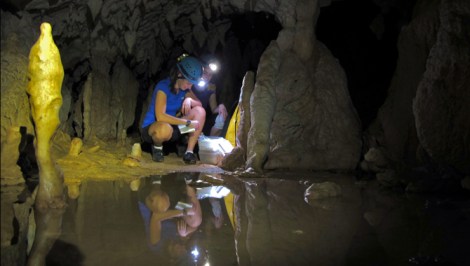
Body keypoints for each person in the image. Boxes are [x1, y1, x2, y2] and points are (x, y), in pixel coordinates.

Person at [141, 54, 206, 164]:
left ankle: (189, 152)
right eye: (188, 83)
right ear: (179, 74)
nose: (190, 87)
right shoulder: (163, 87)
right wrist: (186, 123)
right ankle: (157, 148)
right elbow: (160, 116)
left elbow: (199, 103)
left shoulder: (185, 89)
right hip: (154, 129)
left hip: (173, 130)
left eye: (192, 84)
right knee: (165, 128)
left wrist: (189, 100)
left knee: (200, 111)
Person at [138, 174, 202, 254]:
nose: (183, 250)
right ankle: (189, 180)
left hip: (152, 200)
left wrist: (183, 212)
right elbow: (195, 227)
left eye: (180, 253)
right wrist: (185, 233)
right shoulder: (180, 240)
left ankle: (156, 180)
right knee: (196, 220)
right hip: (173, 204)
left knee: (161, 205)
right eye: (184, 251)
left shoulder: (156, 244)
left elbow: (156, 216)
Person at [191, 55, 228, 137]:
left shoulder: (211, 87)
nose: (207, 77)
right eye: (205, 73)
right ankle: (186, 140)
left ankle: (209, 142)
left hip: (201, 120)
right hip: (187, 120)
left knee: (220, 117)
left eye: (210, 74)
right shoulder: (189, 83)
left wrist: (221, 106)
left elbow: (214, 109)